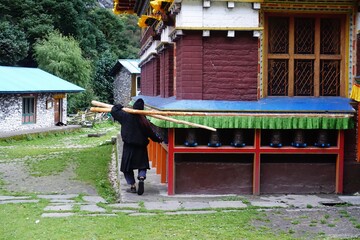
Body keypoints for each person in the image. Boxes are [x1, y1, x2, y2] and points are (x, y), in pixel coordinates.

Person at [111, 98, 163, 195]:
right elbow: (152, 134)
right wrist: (159, 139)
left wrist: (122, 107)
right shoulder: (144, 121)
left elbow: (114, 110)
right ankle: (141, 177)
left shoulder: (125, 115)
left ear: (133, 107)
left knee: (127, 168)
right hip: (141, 147)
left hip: (128, 146)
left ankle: (132, 185)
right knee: (142, 165)